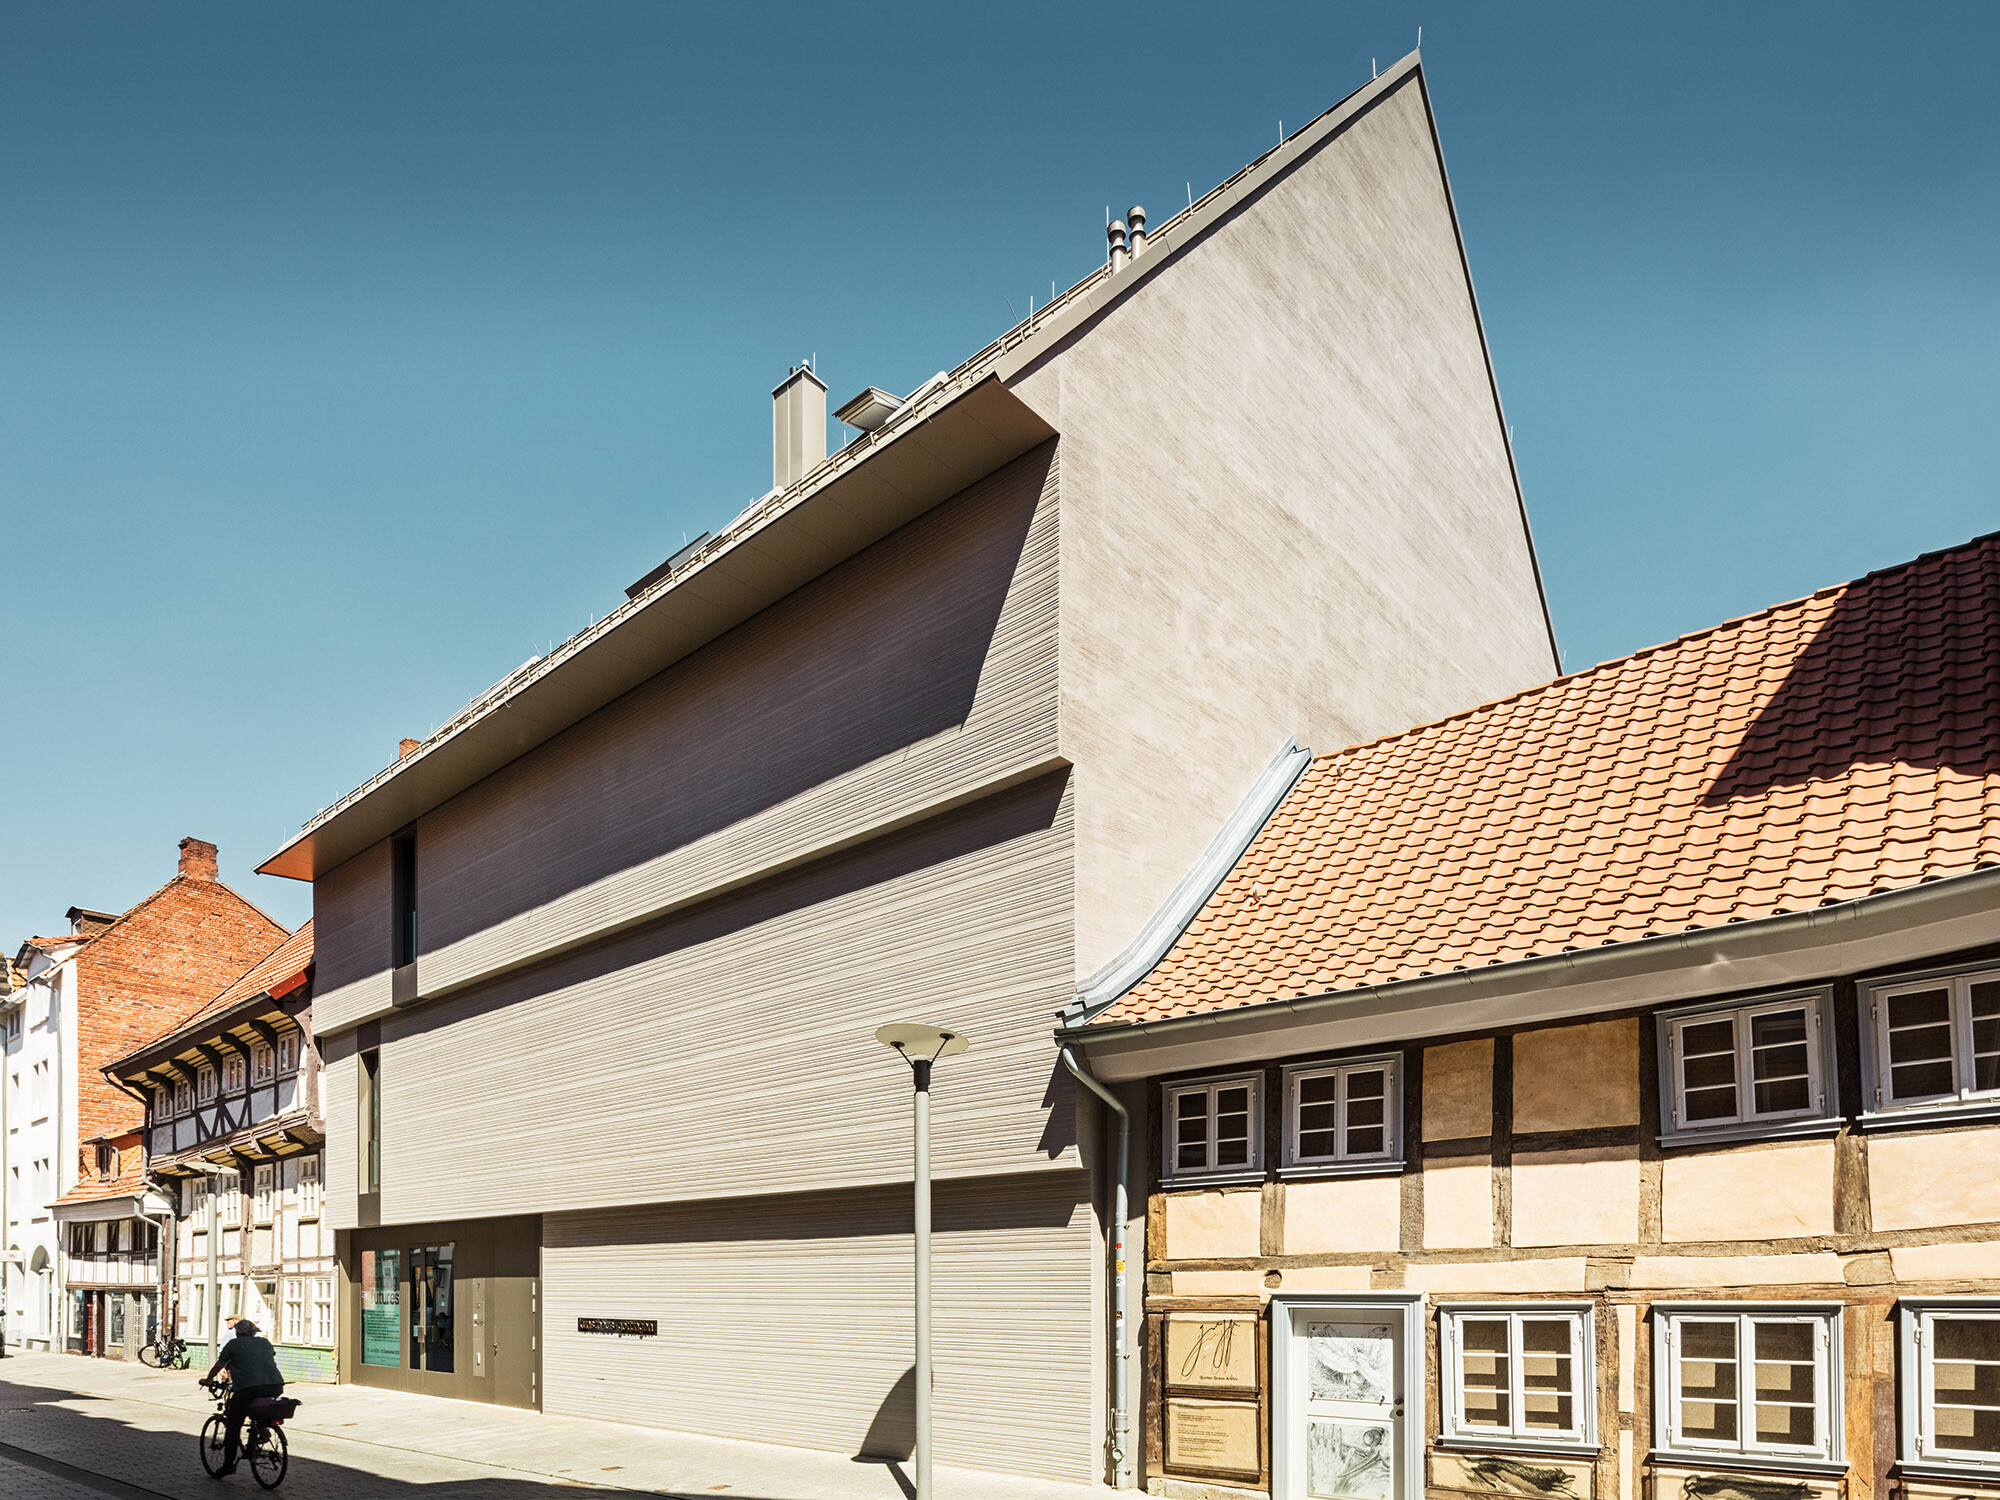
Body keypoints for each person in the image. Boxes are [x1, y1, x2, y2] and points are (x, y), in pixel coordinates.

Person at [203, 1318, 284, 1477]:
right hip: (275, 1386)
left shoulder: (233, 1344)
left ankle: (228, 1465)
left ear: (238, 1332)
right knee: (258, 1410)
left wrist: (208, 1380)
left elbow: (220, 1364)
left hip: (248, 1388)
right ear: (254, 1332)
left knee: (233, 1426)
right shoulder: (265, 1343)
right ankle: (262, 1430)